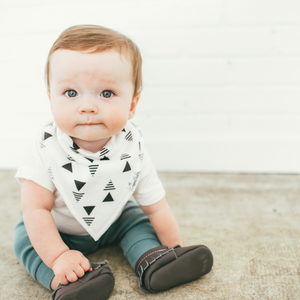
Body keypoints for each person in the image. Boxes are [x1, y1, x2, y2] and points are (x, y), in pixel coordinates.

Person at [13, 25, 213, 300]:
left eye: (106, 93)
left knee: (136, 220)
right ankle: (66, 282)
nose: (87, 106)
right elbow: (36, 210)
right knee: (26, 241)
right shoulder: (45, 148)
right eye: (71, 93)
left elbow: (155, 206)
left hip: (113, 218)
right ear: (51, 99)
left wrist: (174, 246)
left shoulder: (132, 146)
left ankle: (155, 260)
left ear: (132, 104)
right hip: (58, 228)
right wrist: (58, 255)